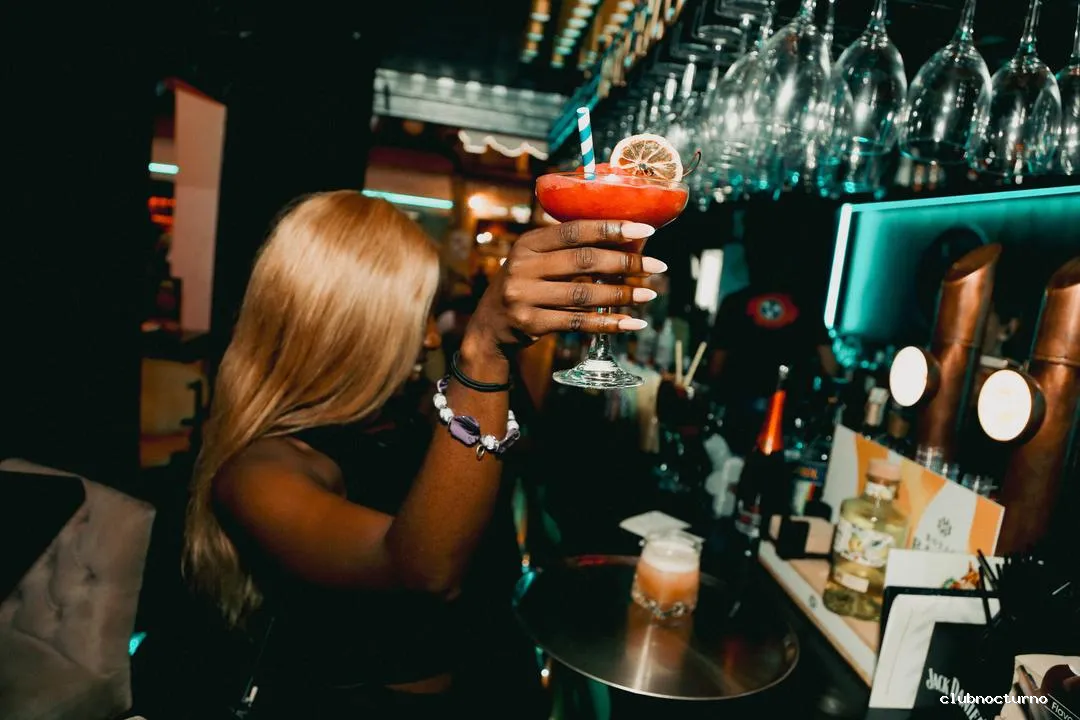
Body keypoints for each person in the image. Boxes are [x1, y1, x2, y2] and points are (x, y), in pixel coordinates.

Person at [182, 191, 660, 718]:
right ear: (347, 324)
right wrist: (482, 351)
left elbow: (526, 457)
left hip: (496, 681)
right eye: (421, 315)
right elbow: (424, 569)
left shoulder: (407, 413)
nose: (432, 338)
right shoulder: (256, 474)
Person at [707, 234, 838, 455]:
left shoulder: (734, 302)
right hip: (788, 416)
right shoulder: (806, 306)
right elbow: (830, 366)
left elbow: (716, 366)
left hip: (738, 412)